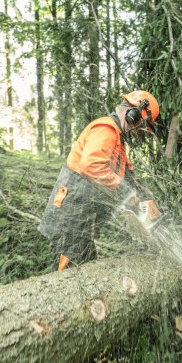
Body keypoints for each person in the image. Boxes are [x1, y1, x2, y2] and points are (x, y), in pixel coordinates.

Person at [38, 90, 160, 272]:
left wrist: (140, 194)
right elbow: (91, 166)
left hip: (81, 219)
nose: (139, 134)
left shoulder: (118, 141)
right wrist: (126, 193)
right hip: (70, 214)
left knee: (86, 267)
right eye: (141, 127)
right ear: (133, 115)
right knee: (69, 271)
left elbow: (125, 174)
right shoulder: (106, 129)